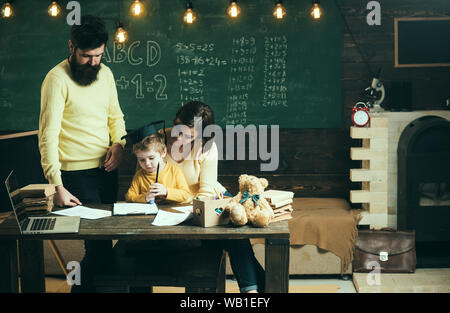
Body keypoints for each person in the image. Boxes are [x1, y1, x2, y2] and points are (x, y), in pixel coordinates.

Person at [38, 15, 127, 292]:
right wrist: (57, 184)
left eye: (98, 55)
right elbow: (47, 135)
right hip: (75, 176)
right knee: (97, 246)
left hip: (107, 169)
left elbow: (115, 116)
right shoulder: (56, 79)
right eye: (86, 56)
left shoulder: (107, 74)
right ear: (71, 47)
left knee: (104, 244)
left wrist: (119, 145)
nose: (93, 63)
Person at [165, 101, 265, 293]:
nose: (179, 137)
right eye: (178, 129)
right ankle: (265, 287)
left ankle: (250, 293)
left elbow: (206, 191)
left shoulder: (206, 147)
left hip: (210, 199)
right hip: (173, 205)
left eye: (189, 135)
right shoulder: (156, 141)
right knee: (230, 242)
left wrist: (192, 210)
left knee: (237, 237)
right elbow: (144, 181)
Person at [125, 133, 192, 204]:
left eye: (151, 158)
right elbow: (129, 197)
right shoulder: (139, 175)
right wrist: (145, 197)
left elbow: (186, 195)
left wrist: (166, 191)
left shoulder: (174, 170)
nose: (147, 163)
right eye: (142, 160)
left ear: (163, 152)